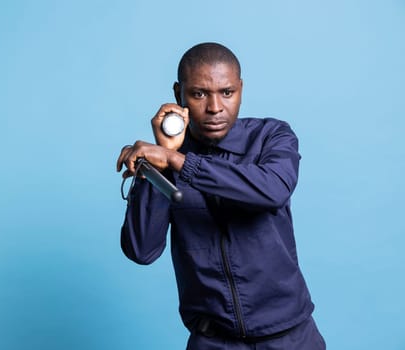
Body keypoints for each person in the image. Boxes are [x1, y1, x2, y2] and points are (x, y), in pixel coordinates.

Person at [116, 42, 325, 350]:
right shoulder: (166, 157)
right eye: (199, 94)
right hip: (213, 342)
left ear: (240, 89)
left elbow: (272, 190)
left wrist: (179, 162)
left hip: (291, 338)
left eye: (226, 92)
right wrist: (153, 169)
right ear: (179, 95)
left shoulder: (271, 136)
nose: (215, 107)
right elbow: (141, 250)